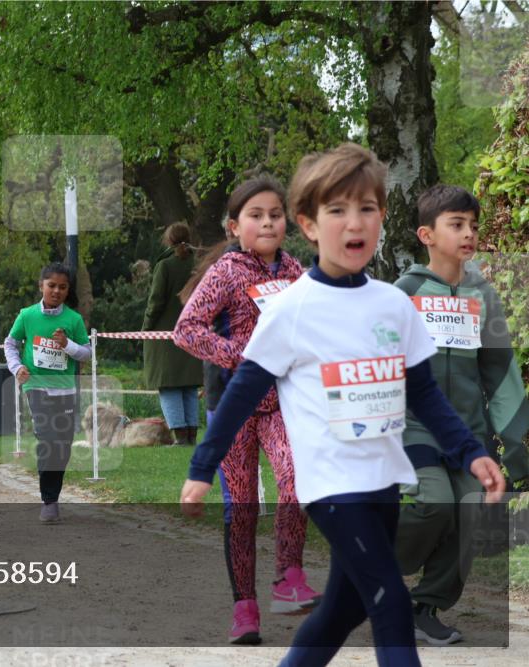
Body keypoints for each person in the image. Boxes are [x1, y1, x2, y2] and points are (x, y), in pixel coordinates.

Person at [178, 143, 506, 667]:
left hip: (383, 482)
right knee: (391, 602)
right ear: (308, 224)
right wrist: (202, 468)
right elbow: (240, 394)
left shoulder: (393, 304)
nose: (354, 221)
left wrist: (470, 452)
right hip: (330, 486)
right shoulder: (290, 309)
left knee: (340, 610)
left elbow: (422, 391)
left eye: (367, 208)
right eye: (337, 210)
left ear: (381, 217)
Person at [173, 175, 315, 644]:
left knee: (296, 481)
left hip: (282, 404)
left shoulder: (297, 272)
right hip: (236, 406)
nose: (267, 222)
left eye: (275, 214)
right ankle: (244, 609)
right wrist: (241, 356)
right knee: (244, 508)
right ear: (235, 226)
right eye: (256, 216)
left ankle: (289, 575)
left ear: (288, 222)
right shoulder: (228, 271)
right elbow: (187, 329)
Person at [393, 184, 529, 645]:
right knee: (433, 504)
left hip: (469, 435)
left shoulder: (483, 295)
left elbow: (501, 373)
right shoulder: (404, 292)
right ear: (426, 234)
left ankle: (423, 607)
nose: (469, 232)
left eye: (473, 224)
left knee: (470, 512)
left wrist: (515, 445)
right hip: (414, 428)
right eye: (457, 224)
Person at [5, 262, 90, 523]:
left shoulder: (73, 320)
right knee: (48, 439)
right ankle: (49, 500)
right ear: (41, 286)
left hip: (64, 389)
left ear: (67, 291)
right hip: (36, 386)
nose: (56, 291)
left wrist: (68, 345)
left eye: (62, 287)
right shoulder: (27, 315)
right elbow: (10, 343)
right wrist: (17, 367)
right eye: (51, 285)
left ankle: (53, 494)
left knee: (62, 446)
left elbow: (87, 353)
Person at [143, 223, 203, 445]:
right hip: (192, 332)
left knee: (168, 385)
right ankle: (191, 435)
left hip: (164, 335)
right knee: (188, 385)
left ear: (168, 240)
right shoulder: (198, 265)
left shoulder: (165, 265)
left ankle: (179, 438)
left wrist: (145, 328)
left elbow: (156, 301)